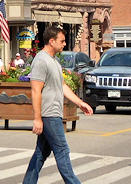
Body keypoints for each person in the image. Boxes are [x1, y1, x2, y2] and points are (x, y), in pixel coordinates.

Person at [21, 25, 93, 184]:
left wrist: (80, 103)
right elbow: (35, 90)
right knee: (62, 151)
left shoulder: (53, 61)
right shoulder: (40, 60)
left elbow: (62, 86)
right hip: (49, 114)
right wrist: (37, 118)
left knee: (41, 153)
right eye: (62, 41)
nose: (64, 44)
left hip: (53, 113)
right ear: (51, 41)